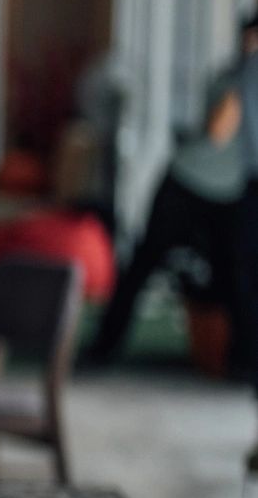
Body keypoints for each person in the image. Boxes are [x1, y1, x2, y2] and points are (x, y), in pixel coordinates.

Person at [85, 36, 247, 364]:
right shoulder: (239, 77)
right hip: (190, 183)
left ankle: (231, 357)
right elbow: (219, 130)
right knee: (146, 261)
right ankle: (104, 346)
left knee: (232, 275)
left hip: (226, 189)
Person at [205, 14, 258, 390]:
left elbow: (218, 132)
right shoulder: (240, 75)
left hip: (247, 184)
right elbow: (219, 132)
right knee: (242, 271)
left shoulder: (244, 73)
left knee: (244, 273)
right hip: (244, 184)